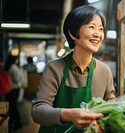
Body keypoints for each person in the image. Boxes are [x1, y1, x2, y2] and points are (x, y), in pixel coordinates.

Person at [31, 5, 116, 133]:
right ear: (72, 33)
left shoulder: (104, 71)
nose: (98, 34)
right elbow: (37, 111)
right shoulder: (54, 68)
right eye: (92, 27)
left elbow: (111, 107)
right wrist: (68, 114)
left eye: (101, 29)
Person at [4, 53, 22, 131]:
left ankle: (12, 123)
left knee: (12, 107)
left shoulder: (7, 67)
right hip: (14, 89)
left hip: (8, 89)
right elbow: (17, 79)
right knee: (14, 107)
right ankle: (18, 123)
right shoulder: (14, 68)